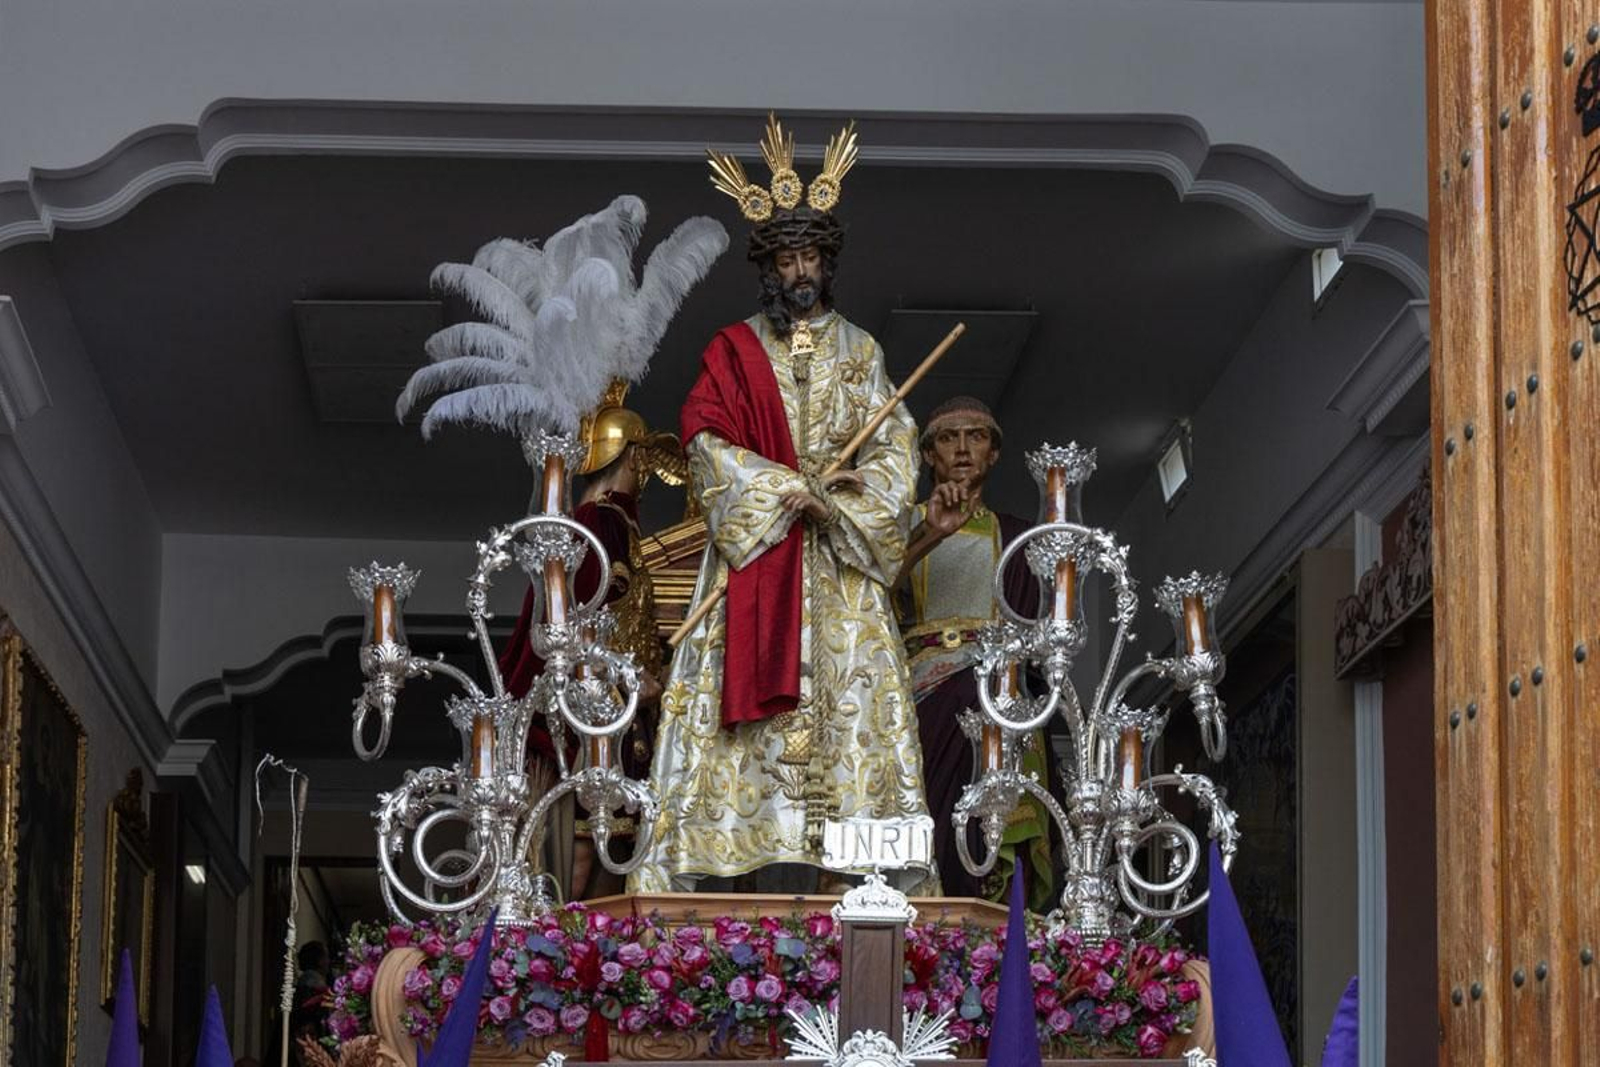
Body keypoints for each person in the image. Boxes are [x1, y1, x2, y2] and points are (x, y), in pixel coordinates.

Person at [629, 116, 933, 892]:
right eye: (788, 257)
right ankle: (724, 868)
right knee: (729, 734)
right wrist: (781, 487)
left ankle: (863, 875)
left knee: (856, 709)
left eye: (812, 256)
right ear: (770, 266)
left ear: (828, 264)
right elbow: (702, 441)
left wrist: (841, 505)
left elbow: (896, 451)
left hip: (840, 565)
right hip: (759, 555)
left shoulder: (861, 350)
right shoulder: (734, 350)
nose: (801, 269)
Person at [498, 380, 683, 898]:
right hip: (592, 719)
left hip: (626, 720)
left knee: (620, 859)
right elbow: (567, 632)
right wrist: (623, 679)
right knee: (583, 856)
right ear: (632, 457)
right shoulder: (594, 525)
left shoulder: (615, 526)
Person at [897, 396, 1055, 908]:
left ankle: (993, 897)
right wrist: (928, 535)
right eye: (947, 438)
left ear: (993, 454)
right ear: (927, 456)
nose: (963, 449)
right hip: (916, 692)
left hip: (995, 691)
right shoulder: (898, 526)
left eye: (977, 437)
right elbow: (865, 591)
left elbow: (1035, 635)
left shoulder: (1016, 538)